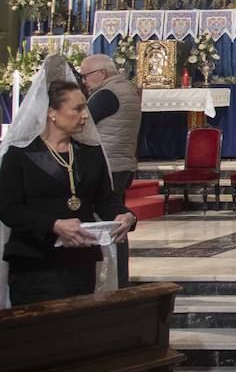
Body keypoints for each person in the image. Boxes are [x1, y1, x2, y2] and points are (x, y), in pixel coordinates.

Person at [0, 59, 136, 307]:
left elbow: (105, 200)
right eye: (77, 109)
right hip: (34, 263)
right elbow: (9, 209)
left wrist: (124, 215)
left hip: (79, 262)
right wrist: (54, 225)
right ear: (52, 113)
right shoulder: (20, 155)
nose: (85, 115)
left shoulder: (90, 153)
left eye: (85, 108)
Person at [79, 54, 141, 287]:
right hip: (121, 163)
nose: (84, 81)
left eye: (85, 76)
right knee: (117, 223)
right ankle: (117, 280)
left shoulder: (107, 94)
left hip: (108, 166)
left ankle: (115, 281)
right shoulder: (125, 89)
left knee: (112, 225)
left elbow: (81, 122)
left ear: (101, 74)